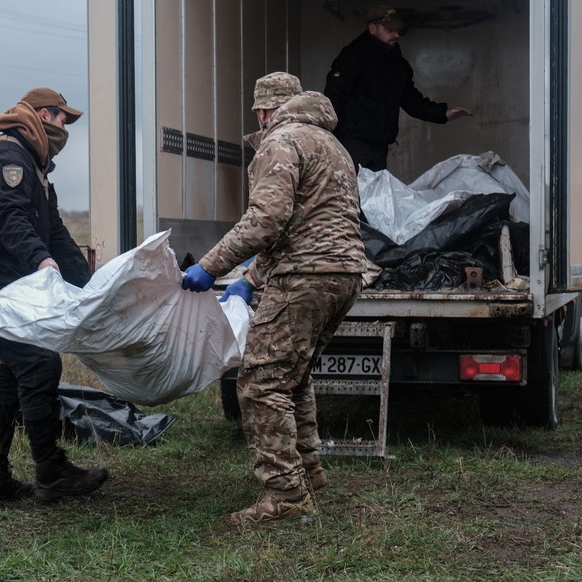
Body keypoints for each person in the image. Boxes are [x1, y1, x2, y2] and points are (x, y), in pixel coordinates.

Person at [181, 72, 366, 524]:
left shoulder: (279, 141)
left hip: (304, 276)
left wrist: (210, 267)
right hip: (345, 273)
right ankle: (308, 469)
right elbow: (307, 221)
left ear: (264, 111)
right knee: (294, 375)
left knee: (261, 381)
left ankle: (285, 496)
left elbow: (266, 220)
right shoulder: (331, 144)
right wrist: (252, 274)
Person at [0, 87, 108, 504]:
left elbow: (53, 230)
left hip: (2, 284)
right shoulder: (8, 158)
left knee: (3, 374)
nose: (64, 128)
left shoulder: (36, 165)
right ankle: (51, 471)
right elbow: (11, 218)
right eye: (61, 119)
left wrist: (90, 284)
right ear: (42, 114)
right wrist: (40, 260)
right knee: (39, 362)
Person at [324, 4, 472, 172]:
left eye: (398, 30)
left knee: (378, 197)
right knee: (352, 196)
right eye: (390, 30)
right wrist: (330, 139)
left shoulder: (397, 64)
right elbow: (333, 98)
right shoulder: (353, 57)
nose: (396, 35)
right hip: (352, 145)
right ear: (372, 28)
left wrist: (443, 113)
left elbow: (412, 101)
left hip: (379, 148)